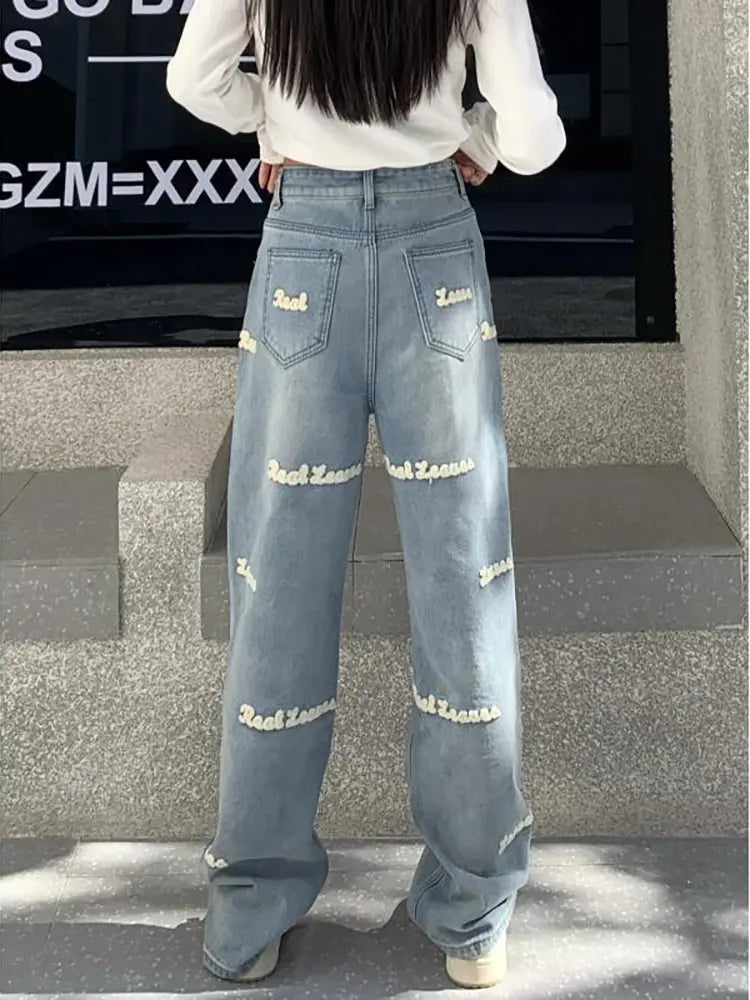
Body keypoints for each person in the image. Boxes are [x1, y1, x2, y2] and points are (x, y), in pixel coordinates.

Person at [166, 0, 565, 988]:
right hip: (436, 252)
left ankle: (248, 912)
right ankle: (474, 918)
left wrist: (273, 120)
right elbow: (534, 137)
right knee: (465, 585)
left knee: (278, 585)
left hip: (306, 244)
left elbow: (192, 80)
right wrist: (474, 134)